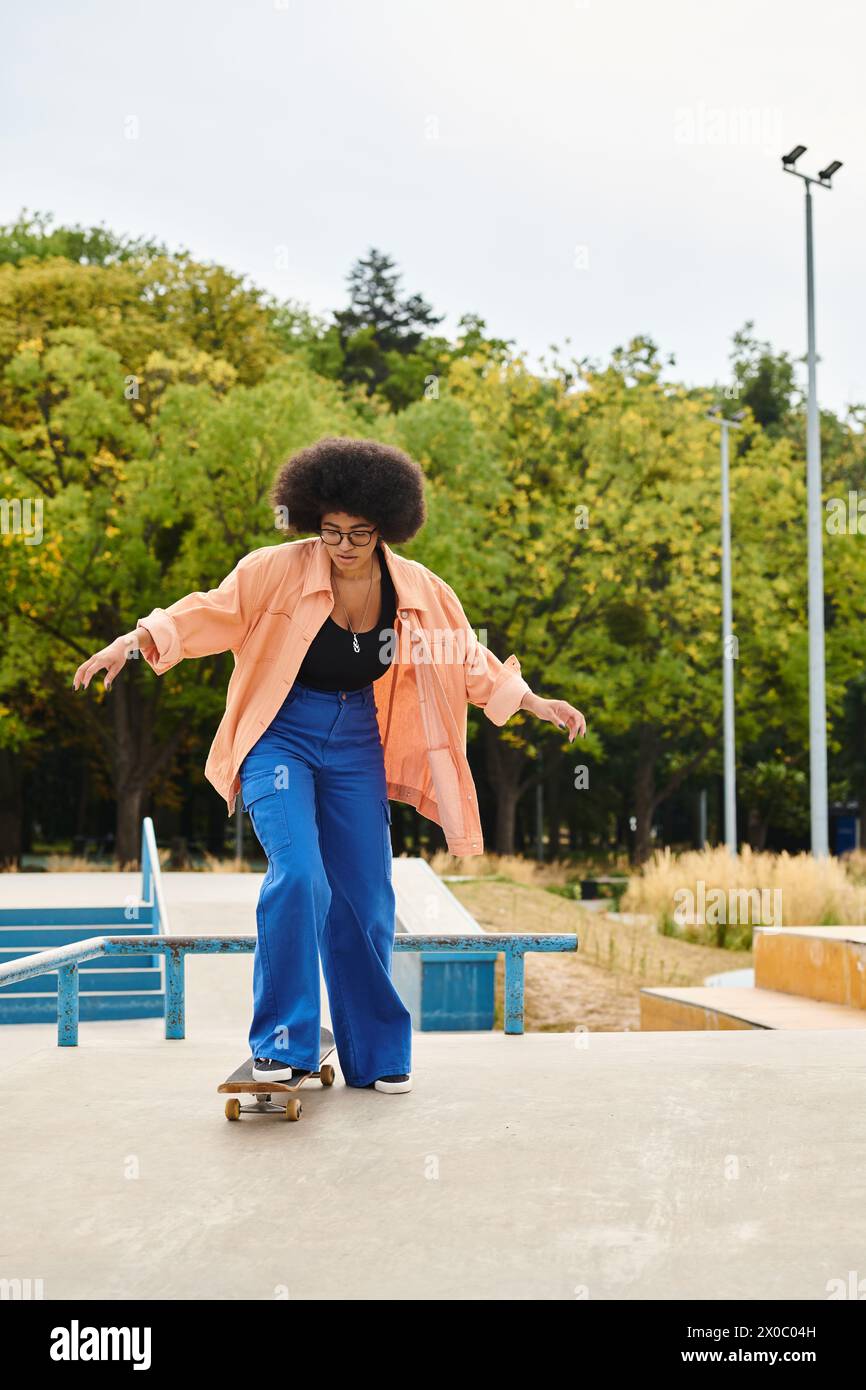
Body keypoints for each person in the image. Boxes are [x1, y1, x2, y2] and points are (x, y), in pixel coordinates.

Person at [73, 437, 586, 1093]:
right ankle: (282, 1041)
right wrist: (135, 641)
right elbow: (209, 611)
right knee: (301, 877)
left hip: (355, 744)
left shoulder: (419, 592)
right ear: (314, 521)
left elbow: (467, 660)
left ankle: (374, 1052)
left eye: (359, 534)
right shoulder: (275, 571)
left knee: (367, 897)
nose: (343, 547)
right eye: (331, 532)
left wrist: (534, 702)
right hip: (279, 736)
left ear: (385, 530)